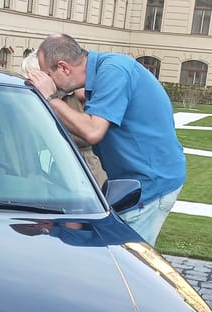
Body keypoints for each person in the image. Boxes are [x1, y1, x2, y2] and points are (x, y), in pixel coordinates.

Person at [27, 34, 185, 246]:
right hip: (130, 184)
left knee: (129, 262)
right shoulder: (105, 70)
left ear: (64, 67)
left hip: (149, 186)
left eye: (48, 75)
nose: (48, 83)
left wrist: (51, 98)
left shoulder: (114, 71)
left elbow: (93, 131)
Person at [21, 51, 108, 187]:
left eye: (37, 77)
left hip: (87, 172)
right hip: (49, 175)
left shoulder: (79, 94)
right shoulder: (29, 101)